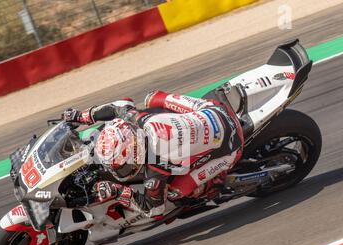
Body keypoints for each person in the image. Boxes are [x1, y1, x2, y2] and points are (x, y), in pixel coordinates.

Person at [62, 90, 244, 218]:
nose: (121, 171)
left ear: (137, 152)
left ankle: (216, 182)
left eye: (123, 166)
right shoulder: (137, 120)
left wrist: (118, 191)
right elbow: (121, 104)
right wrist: (82, 116)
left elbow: (154, 210)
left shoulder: (157, 166)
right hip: (215, 109)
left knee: (175, 193)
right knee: (152, 98)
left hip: (231, 146)